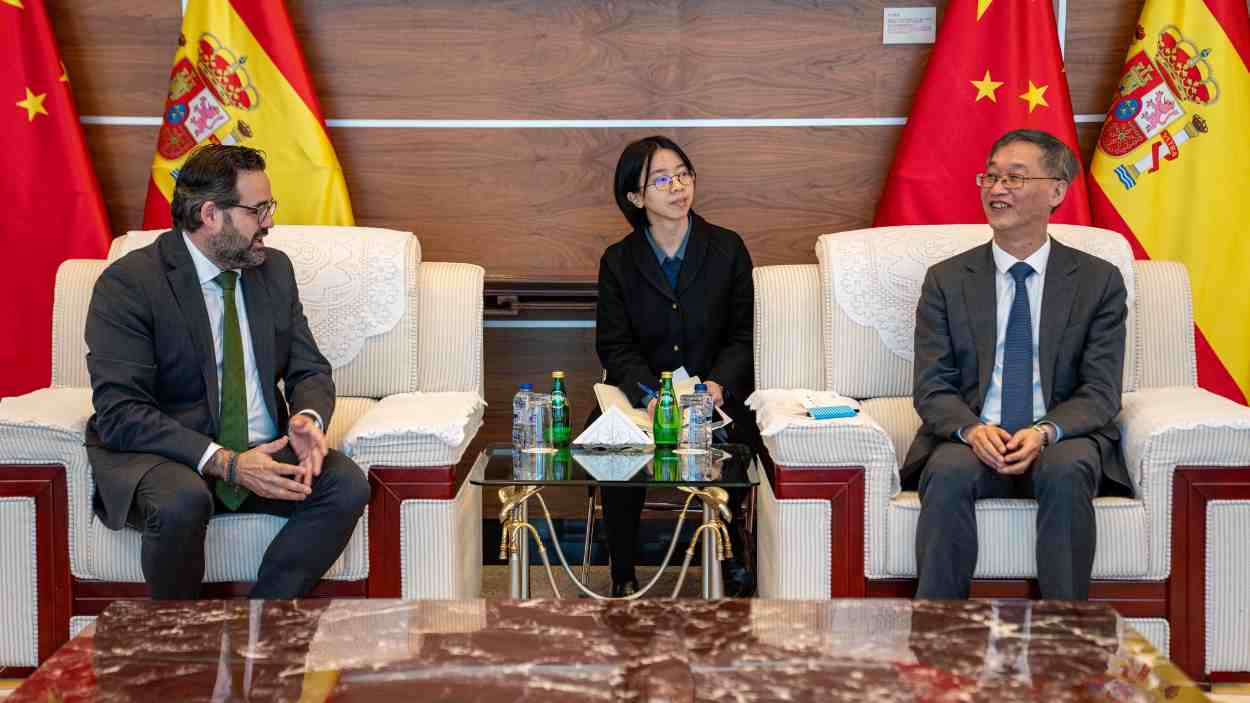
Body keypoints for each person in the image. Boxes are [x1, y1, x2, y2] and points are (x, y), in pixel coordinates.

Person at [84, 145, 370, 600]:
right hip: (172, 455)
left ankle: (259, 626)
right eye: (258, 211)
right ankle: (181, 644)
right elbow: (121, 412)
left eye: (269, 208)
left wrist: (307, 419)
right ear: (210, 214)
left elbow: (308, 366)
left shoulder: (273, 271)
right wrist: (227, 463)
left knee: (344, 484)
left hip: (262, 447)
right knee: (181, 502)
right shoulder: (129, 284)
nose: (270, 224)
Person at [902, 129, 1131, 600]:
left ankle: (1065, 641)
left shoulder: (1097, 281)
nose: (996, 188)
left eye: (1015, 177)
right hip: (973, 437)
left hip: (1058, 438)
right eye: (990, 176)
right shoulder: (947, 280)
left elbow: (1100, 390)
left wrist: (1046, 430)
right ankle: (939, 643)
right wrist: (970, 429)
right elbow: (932, 384)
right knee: (946, 472)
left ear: (1057, 190)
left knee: (1067, 472)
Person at [593, 135, 760, 597]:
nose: (677, 186)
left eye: (683, 174)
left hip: (717, 397)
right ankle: (623, 570)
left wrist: (718, 384)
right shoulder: (618, 262)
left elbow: (745, 334)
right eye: (661, 179)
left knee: (747, 440)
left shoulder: (727, 249)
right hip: (643, 398)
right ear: (635, 196)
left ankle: (734, 557)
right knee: (612, 446)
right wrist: (652, 397)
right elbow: (614, 346)